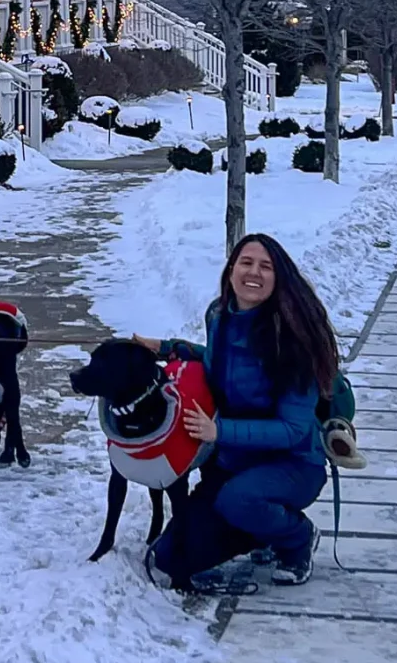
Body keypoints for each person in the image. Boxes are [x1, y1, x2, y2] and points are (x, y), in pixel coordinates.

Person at [138, 233, 337, 589]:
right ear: (231, 270)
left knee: (238, 501)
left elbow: (293, 428)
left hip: (292, 464)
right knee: (169, 559)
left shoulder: (293, 338)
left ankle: (296, 537)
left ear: (280, 278)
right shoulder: (220, 315)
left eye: (266, 266)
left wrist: (219, 432)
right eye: (246, 262)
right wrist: (167, 348)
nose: (254, 273)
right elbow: (220, 364)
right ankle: (260, 530)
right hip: (236, 462)